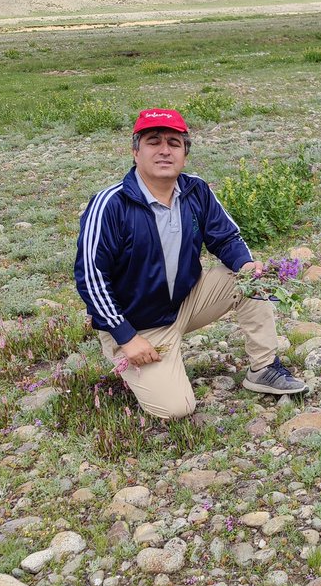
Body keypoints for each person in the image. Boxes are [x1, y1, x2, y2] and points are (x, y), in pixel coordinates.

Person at [75, 108, 306, 420]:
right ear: (135, 151)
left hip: (186, 302)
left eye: (174, 142)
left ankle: (263, 368)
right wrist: (126, 336)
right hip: (138, 324)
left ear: (185, 153)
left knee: (251, 279)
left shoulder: (195, 190)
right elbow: (91, 278)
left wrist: (246, 264)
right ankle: (130, 360)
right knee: (176, 409)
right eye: (153, 141)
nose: (164, 150)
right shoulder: (110, 204)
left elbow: (226, 238)